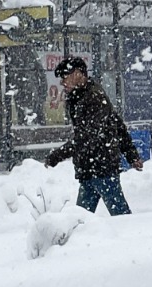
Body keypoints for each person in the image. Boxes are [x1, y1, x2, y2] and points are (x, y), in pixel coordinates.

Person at [45, 56, 142, 215]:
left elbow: (88, 136)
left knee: (119, 215)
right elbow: (117, 125)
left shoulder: (94, 97)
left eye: (65, 77)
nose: (62, 82)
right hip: (89, 169)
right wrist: (131, 156)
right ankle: (80, 238)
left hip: (102, 167)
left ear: (77, 74)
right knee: (80, 219)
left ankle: (130, 237)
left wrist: (58, 155)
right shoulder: (79, 96)